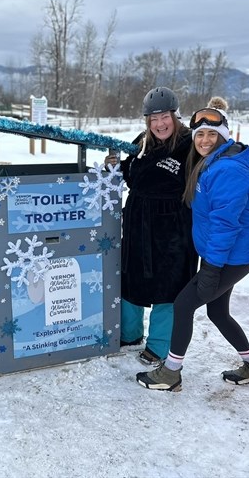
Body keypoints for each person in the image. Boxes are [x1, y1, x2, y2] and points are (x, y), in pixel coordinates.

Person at [136, 97, 249, 391]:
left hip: (229, 257)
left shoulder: (227, 170)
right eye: (200, 134)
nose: (205, 140)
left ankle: (171, 372)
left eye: (212, 134)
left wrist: (211, 267)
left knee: (183, 306)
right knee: (217, 312)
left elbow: (225, 224)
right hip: (227, 256)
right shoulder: (213, 163)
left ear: (224, 136)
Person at [106, 87, 198, 365]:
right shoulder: (142, 142)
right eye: (153, 118)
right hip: (137, 225)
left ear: (175, 115)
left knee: (168, 287)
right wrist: (116, 166)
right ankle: (130, 333)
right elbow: (137, 175)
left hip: (173, 230)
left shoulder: (189, 145)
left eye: (164, 117)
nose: (159, 124)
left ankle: (159, 345)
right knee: (131, 279)